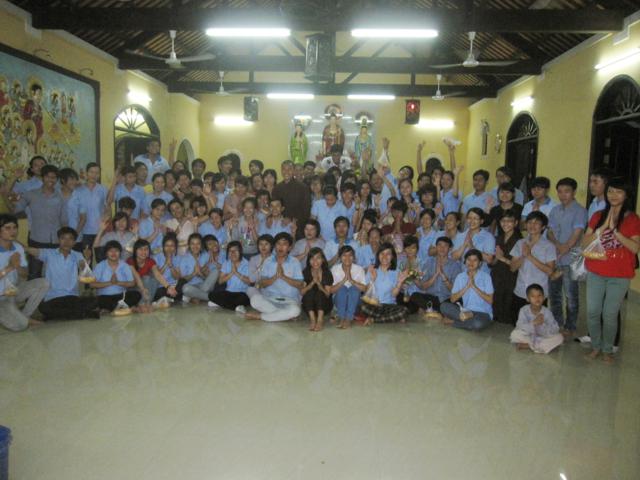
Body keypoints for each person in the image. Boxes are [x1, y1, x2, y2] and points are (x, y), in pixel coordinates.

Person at [582, 178, 640, 364]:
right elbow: (584, 243)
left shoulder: (632, 219)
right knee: (593, 311)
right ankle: (596, 346)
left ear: (626, 195)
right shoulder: (598, 215)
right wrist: (601, 229)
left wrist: (616, 231)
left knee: (609, 314)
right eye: (610, 191)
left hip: (620, 274)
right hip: (596, 271)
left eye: (618, 192)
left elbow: (634, 248)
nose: (613, 195)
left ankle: (608, 349)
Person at [24, 227, 100, 321]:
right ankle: (82, 313)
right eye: (63, 238)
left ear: (74, 242)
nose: (66, 242)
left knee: (94, 301)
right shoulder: (49, 253)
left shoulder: (77, 255)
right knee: (44, 308)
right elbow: (31, 250)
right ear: (58, 240)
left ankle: (63, 315)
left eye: (70, 239)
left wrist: (87, 258)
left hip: (71, 296)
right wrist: (16, 244)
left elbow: (84, 269)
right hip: (53, 298)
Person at [547, 177, 588, 336]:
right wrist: (557, 245)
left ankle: (570, 326)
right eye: (560, 191)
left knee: (571, 295)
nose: (563, 195)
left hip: (570, 260)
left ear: (574, 192)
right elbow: (549, 232)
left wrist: (563, 248)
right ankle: (557, 323)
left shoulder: (580, 211)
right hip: (554, 258)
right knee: (554, 294)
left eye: (567, 191)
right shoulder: (555, 210)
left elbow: (576, 234)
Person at [12, 164, 65, 279]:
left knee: (54, 274)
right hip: (36, 240)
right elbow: (15, 209)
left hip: (55, 241)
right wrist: (5, 195)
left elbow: (64, 220)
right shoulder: (31, 194)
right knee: (34, 274)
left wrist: (64, 241)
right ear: (42, 177)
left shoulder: (60, 196)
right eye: (48, 176)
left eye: (54, 177)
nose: (51, 180)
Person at [0, 214, 49, 331]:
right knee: (20, 326)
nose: (12, 231)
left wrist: (17, 266)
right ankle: (20, 318)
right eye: (7, 228)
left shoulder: (18, 248)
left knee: (44, 283)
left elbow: (25, 274)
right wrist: (10, 267)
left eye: (15, 227)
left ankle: (24, 316)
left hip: (13, 291)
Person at [245, 232, 303, 322]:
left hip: (289, 300)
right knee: (255, 301)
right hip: (270, 299)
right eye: (278, 244)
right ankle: (282, 315)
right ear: (275, 246)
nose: (281, 247)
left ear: (289, 247)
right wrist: (275, 277)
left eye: (284, 244)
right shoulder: (268, 261)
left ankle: (261, 316)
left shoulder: (295, 262)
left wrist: (283, 277)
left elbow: (300, 284)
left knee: (295, 310)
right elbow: (262, 284)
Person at [510, 211, 556, 320]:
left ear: (543, 227)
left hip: (538, 294)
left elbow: (550, 271)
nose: (532, 225)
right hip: (520, 290)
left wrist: (529, 256)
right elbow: (512, 268)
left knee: (537, 325)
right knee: (518, 323)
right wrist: (523, 256)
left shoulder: (549, 246)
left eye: (536, 223)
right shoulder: (520, 243)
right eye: (530, 222)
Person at [440, 249, 494, 331]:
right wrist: (466, 287)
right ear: (465, 261)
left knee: (477, 324)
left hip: (483, 313)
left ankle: (453, 322)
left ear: (480, 263)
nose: (471, 262)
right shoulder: (460, 277)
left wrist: (474, 286)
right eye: (469, 259)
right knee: (444, 306)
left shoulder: (486, 277)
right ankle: (466, 319)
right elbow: (452, 299)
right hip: (466, 311)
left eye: (475, 260)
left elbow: (490, 300)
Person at [361, 242, 409, 326]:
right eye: (382, 253)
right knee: (363, 308)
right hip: (373, 305)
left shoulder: (396, 271)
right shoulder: (372, 269)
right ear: (378, 255)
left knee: (404, 311)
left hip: (389, 306)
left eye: (388, 254)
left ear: (392, 256)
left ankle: (374, 319)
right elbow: (366, 292)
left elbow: (393, 294)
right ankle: (391, 318)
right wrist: (372, 279)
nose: (384, 256)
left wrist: (399, 283)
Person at [410, 236, 461, 313]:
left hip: (447, 298)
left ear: (450, 249)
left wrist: (444, 278)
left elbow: (455, 290)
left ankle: (431, 310)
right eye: (439, 245)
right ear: (436, 247)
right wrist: (436, 275)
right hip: (431, 297)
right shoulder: (429, 263)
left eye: (445, 246)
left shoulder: (455, 266)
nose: (442, 248)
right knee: (415, 296)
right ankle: (435, 311)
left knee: (455, 302)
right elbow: (423, 287)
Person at [510, 283, 564, 354]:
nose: (537, 298)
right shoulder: (524, 310)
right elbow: (519, 325)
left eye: (539, 295)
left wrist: (542, 326)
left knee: (559, 338)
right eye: (533, 296)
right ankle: (538, 346)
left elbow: (555, 328)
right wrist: (533, 323)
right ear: (528, 299)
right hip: (529, 336)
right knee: (514, 334)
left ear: (543, 297)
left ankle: (529, 346)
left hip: (543, 337)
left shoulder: (547, 312)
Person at [90, 240, 141, 312]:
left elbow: (132, 283)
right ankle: (121, 308)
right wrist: (110, 283)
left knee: (136, 294)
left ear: (120, 253)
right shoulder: (100, 266)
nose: (113, 253)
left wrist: (118, 282)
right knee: (96, 301)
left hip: (121, 296)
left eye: (116, 251)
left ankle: (112, 309)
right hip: (105, 297)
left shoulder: (124, 265)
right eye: (110, 251)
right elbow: (92, 284)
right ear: (106, 253)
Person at [491, 209, 522, 324]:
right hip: (497, 274)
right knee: (496, 301)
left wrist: (502, 258)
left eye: (510, 221)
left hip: (511, 276)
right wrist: (495, 258)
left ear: (516, 223)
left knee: (508, 303)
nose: (506, 224)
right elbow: (494, 260)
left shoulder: (519, 240)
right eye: (503, 221)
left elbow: (517, 265)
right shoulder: (498, 238)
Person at [69, 162, 108, 253]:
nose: (94, 175)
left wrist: (104, 225)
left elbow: (107, 209)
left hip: (99, 230)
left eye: (97, 173)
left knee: (100, 257)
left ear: (99, 174)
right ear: (86, 173)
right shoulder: (78, 190)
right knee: (86, 258)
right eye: (91, 172)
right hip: (84, 231)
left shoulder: (103, 189)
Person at [127, 239, 177, 304]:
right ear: (135, 250)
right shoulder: (130, 261)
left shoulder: (150, 261)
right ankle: (143, 304)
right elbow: (137, 277)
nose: (143, 252)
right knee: (146, 278)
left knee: (154, 279)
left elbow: (158, 275)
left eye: (146, 249)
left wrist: (168, 287)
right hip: (132, 289)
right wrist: (143, 289)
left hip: (145, 288)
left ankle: (147, 303)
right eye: (140, 249)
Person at [208, 241, 252, 312]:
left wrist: (236, 273)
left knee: (244, 299)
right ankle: (236, 307)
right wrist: (231, 273)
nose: (233, 253)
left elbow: (250, 282)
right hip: (228, 292)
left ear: (240, 251)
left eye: (235, 250)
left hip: (242, 293)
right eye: (230, 251)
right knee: (211, 295)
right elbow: (220, 281)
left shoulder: (248, 264)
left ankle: (221, 304)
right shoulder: (226, 263)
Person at [330, 245, 367, 329]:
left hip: (355, 303)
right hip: (338, 302)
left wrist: (351, 280)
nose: (347, 258)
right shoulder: (335, 269)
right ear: (340, 257)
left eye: (350, 255)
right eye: (344, 255)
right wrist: (343, 280)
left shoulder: (359, 269)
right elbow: (331, 290)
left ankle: (348, 319)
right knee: (342, 288)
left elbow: (364, 289)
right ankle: (341, 317)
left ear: (353, 257)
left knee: (354, 289)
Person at [178, 233, 219, 303]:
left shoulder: (206, 256)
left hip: (204, 285)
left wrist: (201, 274)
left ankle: (196, 297)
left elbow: (208, 277)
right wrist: (194, 273)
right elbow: (184, 279)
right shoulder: (184, 259)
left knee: (216, 271)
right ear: (189, 245)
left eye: (198, 244)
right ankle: (211, 298)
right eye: (192, 244)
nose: (195, 246)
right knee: (185, 288)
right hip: (191, 286)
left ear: (201, 245)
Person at [451, 208, 495, 272]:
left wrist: (472, 247)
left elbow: (489, 260)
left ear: (481, 221)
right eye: (469, 218)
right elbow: (453, 258)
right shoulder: (460, 235)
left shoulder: (488, 237)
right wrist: (464, 245)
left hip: (482, 274)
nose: (472, 221)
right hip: (464, 274)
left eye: (475, 218)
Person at [300, 247, 333, 331]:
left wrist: (318, 283)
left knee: (320, 293)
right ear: (309, 260)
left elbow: (327, 294)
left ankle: (320, 320)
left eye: (318, 258)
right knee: (309, 291)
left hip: (324, 306)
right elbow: (302, 292)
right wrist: (312, 283)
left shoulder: (327, 273)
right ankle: (312, 320)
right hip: (309, 307)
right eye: (312, 258)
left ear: (323, 260)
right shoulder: (306, 271)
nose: (315, 261)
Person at [152, 234, 181, 302]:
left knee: (183, 283)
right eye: (167, 245)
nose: (169, 248)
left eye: (172, 246)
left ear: (175, 247)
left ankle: (170, 298)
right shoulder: (156, 257)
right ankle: (171, 298)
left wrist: (171, 265)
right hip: (162, 286)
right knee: (159, 292)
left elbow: (176, 277)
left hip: (174, 286)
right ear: (163, 246)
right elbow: (157, 276)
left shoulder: (177, 257)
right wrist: (165, 264)